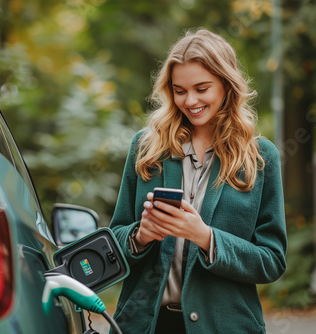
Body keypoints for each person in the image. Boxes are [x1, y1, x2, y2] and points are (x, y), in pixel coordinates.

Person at [109, 27, 287, 334]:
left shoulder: (260, 157)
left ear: (226, 85)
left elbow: (271, 261)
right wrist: (140, 236)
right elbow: (115, 239)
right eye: (179, 90)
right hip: (146, 326)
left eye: (202, 88)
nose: (190, 100)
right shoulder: (147, 147)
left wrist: (206, 237)